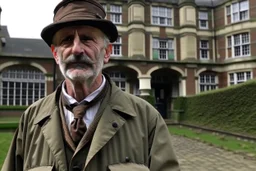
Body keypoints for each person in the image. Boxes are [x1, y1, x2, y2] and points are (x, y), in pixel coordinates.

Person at [2, 0, 180, 170]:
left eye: (87, 39)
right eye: (67, 40)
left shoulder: (147, 118)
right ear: (55, 54)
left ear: (107, 52)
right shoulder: (31, 120)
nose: (77, 49)